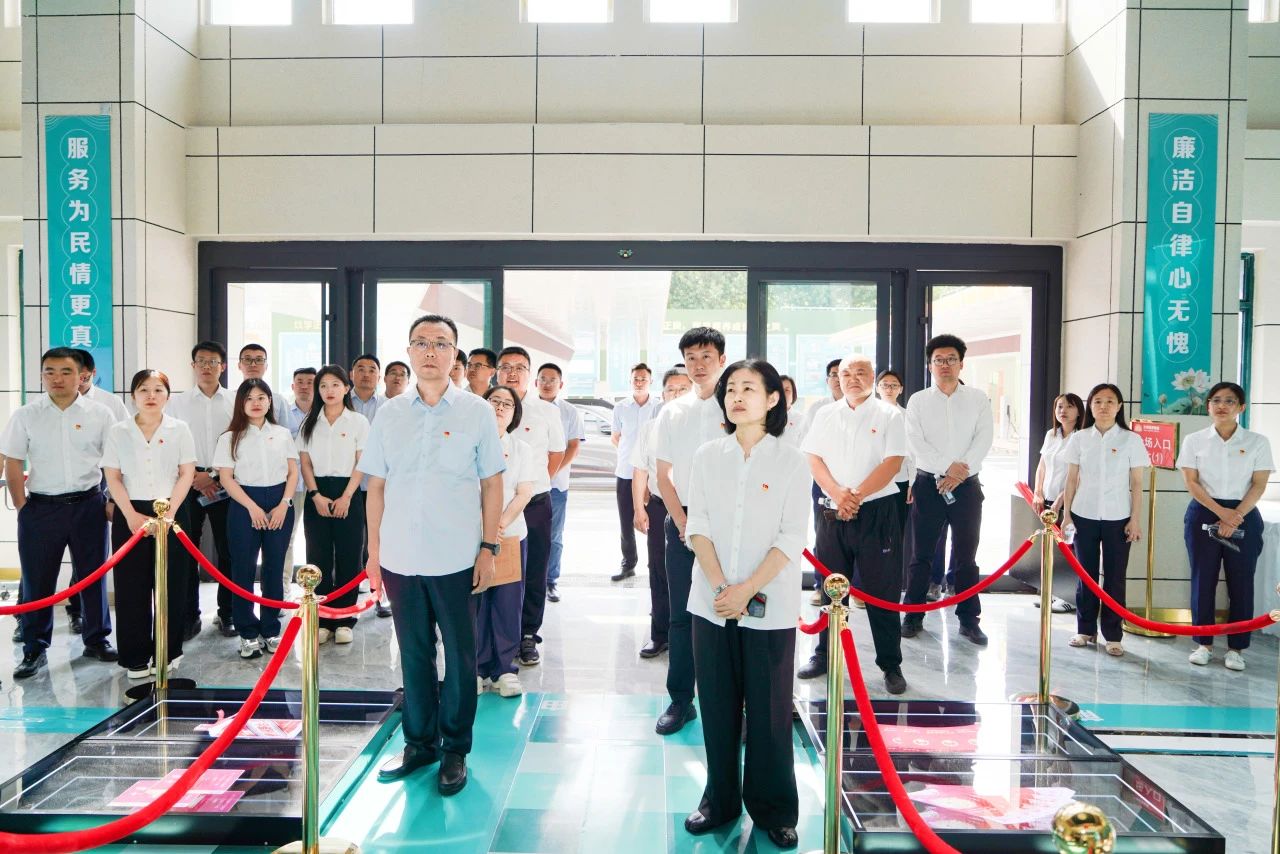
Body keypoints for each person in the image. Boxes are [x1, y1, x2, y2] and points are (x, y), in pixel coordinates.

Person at [360, 313, 505, 796]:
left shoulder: (476, 412)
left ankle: (455, 748)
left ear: (454, 354)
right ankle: (419, 743)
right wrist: (374, 552)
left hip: (456, 556)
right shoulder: (389, 414)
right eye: (420, 342)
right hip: (401, 555)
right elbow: (376, 486)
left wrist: (488, 547)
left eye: (441, 343)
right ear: (408, 350)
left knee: (460, 657)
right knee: (414, 652)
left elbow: (492, 483)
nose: (430, 351)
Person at [683, 358, 805, 850]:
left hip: (770, 605)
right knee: (716, 706)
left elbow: (791, 536)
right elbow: (697, 525)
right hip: (711, 603)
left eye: (749, 388)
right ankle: (719, 801)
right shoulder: (708, 455)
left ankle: (775, 809)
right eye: (731, 388)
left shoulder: (791, 460)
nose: (736, 396)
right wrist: (723, 589)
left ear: (773, 399)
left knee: (770, 712)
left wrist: (748, 589)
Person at [3, 348, 119, 679]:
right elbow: (13, 461)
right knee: (37, 580)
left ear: (81, 375)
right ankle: (34, 648)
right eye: (49, 371)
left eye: (65, 371)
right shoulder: (26, 415)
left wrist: (111, 500)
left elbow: (114, 462)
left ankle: (96, 639)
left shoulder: (100, 414)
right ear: (42, 376)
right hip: (40, 508)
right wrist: (22, 506)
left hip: (89, 506)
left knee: (92, 576)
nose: (57, 378)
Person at [798, 356, 908, 694]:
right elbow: (813, 457)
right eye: (845, 373)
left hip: (877, 512)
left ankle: (890, 664)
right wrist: (836, 493)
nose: (852, 378)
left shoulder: (890, 414)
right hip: (832, 511)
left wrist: (855, 496)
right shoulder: (825, 414)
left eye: (861, 372)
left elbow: (893, 462)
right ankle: (825, 654)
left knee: (881, 591)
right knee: (832, 586)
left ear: (872, 377)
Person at [653, 327, 727, 735]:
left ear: (721, 359)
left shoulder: (734, 406)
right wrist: (682, 523)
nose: (698, 365)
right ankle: (681, 700)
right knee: (681, 615)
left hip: (727, 524)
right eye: (691, 358)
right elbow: (662, 473)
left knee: (728, 612)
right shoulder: (672, 411)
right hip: (681, 521)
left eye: (706, 357)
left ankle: (731, 702)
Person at [100, 369, 196, 679]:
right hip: (131, 512)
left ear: (168, 396)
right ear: (133, 396)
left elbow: (186, 473)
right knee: (131, 586)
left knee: (172, 584)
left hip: (172, 511)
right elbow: (113, 476)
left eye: (158, 390)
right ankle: (135, 656)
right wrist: (129, 514)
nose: (151, 396)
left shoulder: (180, 429)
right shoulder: (119, 431)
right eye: (144, 389)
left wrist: (170, 513)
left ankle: (168, 651)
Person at [901, 335, 994, 646]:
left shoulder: (978, 399)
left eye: (951, 359)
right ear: (930, 365)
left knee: (967, 556)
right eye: (938, 360)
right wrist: (947, 468)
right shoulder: (918, 401)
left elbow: (984, 439)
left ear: (961, 363)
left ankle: (969, 620)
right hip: (929, 485)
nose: (945, 364)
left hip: (967, 488)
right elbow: (915, 442)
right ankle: (913, 615)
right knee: (921, 555)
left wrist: (960, 471)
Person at [1177, 381, 1273, 671]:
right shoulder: (1194, 440)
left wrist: (1236, 515)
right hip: (1204, 512)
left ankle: (1236, 649)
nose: (1222, 406)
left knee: (1241, 582)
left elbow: (1259, 484)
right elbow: (1191, 482)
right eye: (1216, 400)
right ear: (1208, 406)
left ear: (1241, 407)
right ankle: (1203, 644)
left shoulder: (1257, 441)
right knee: (1202, 580)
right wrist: (1222, 513)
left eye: (1229, 401)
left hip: (1244, 514)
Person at [214, 379, 299, 660]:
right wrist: (251, 507)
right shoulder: (229, 437)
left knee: (274, 568)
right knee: (243, 570)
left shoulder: (282, 433)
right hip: (243, 504)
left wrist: (284, 504)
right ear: (241, 403)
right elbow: (226, 478)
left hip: (279, 503)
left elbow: (293, 472)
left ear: (270, 402)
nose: (256, 403)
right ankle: (247, 632)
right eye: (249, 398)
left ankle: (271, 629)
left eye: (262, 397)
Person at [1060, 383, 1147, 657]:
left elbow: (1137, 483)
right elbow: (1071, 479)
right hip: (1083, 515)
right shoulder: (1079, 438)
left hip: (1118, 517)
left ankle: (1113, 634)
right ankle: (1085, 630)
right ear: (1091, 406)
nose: (1104, 406)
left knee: (1115, 578)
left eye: (1110, 401)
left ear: (1119, 406)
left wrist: (1135, 520)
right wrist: (1067, 515)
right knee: (1085, 576)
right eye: (1097, 401)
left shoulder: (1131, 440)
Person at [496, 347, 566, 667]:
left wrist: (536, 482)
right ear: (497, 372)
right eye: (506, 366)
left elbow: (556, 453)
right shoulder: (485, 407)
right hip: (495, 503)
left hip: (535, 502)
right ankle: (498, 636)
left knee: (534, 570)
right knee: (498, 571)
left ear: (529, 374)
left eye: (520, 367)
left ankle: (527, 635)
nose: (512, 373)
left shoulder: (546, 411)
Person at [169, 341, 238, 639]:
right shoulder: (177, 403)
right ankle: (189, 616)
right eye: (201, 361)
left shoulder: (235, 400)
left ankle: (228, 613)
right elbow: (170, 444)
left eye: (213, 361)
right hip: (188, 482)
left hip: (227, 482)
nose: (207, 366)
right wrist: (194, 476)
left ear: (223, 366)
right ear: (193, 365)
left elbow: (241, 442)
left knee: (229, 550)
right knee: (187, 550)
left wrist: (214, 476)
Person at [297, 366, 370, 646]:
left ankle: (345, 619)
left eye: (335, 385)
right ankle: (323, 619)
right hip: (317, 492)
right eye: (324, 385)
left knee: (350, 556)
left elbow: (362, 463)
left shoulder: (358, 422)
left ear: (346, 388)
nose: (329, 390)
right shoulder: (309, 422)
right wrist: (315, 494)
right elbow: (304, 463)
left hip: (348, 492)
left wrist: (347, 496)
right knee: (318, 556)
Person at [476, 385, 535, 697]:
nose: (499, 408)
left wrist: (497, 524)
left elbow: (524, 492)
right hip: (470, 535)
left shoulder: (522, 449)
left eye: (507, 404)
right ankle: (476, 668)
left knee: (507, 604)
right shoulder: (469, 444)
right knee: (475, 603)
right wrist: (483, 526)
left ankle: (504, 670)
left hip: (509, 534)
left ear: (515, 414)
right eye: (494, 401)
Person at [631, 366, 693, 659]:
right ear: (663, 393)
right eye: (671, 390)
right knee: (659, 570)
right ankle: (660, 634)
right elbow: (640, 469)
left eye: (683, 389)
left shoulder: (703, 424)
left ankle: (694, 638)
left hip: (696, 508)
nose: (676, 395)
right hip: (659, 507)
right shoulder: (651, 427)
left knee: (696, 574)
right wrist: (638, 508)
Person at [1033, 393, 1085, 614]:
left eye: (1069, 407)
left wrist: (1060, 501)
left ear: (1079, 411)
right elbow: (1042, 466)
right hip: (1047, 500)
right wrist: (1038, 492)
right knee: (1053, 549)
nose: (1063, 411)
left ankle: (1070, 598)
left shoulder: (1081, 437)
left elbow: (1078, 475)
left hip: (1069, 502)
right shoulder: (1051, 434)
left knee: (1069, 549)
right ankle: (1054, 593)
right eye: (1059, 407)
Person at [536, 363, 584, 604]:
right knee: (528, 535)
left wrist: (550, 472)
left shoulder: (569, 411)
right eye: (542, 379)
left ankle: (550, 580)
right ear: (535, 382)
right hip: (529, 485)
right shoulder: (526, 407)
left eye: (552, 379)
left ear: (561, 384)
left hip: (556, 485)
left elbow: (573, 446)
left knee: (554, 535)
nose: (547, 383)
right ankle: (530, 580)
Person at [611, 363, 660, 581]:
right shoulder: (620, 407)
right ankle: (628, 564)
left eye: (643, 379)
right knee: (626, 522)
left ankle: (654, 565)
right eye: (636, 379)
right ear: (630, 381)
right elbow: (616, 437)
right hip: (625, 473)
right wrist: (630, 457)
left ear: (651, 381)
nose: (639, 383)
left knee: (654, 522)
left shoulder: (658, 407)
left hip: (651, 475)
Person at [279, 366, 316, 586]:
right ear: (293, 386)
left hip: (317, 485)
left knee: (317, 539)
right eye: (300, 382)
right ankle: (283, 587)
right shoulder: (283, 413)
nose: (304, 386)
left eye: (310, 382)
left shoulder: (324, 413)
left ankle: (319, 588)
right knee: (287, 538)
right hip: (291, 485)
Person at [236, 344, 290, 423]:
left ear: (266, 366)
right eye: (247, 359)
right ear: (239, 365)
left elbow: (286, 429)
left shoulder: (279, 400)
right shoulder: (230, 398)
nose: (253, 364)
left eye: (259, 360)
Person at [74, 349, 129, 422]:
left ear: (94, 372)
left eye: (83, 377)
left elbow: (127, 427)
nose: (79, 381)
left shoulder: (113, 401)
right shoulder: (59, 400)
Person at [350, 354, 386, 421]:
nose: (366, 375)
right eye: (361, 370)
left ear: (379, 378)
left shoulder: (387, 404)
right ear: (351, 375)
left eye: (371, 371)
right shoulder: (340, 402)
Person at [778, 374, 804, 443]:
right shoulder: (764, 418)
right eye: (779, 390)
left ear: (793, 394)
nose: (782, 394)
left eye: (787, 390)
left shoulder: (801, 420)